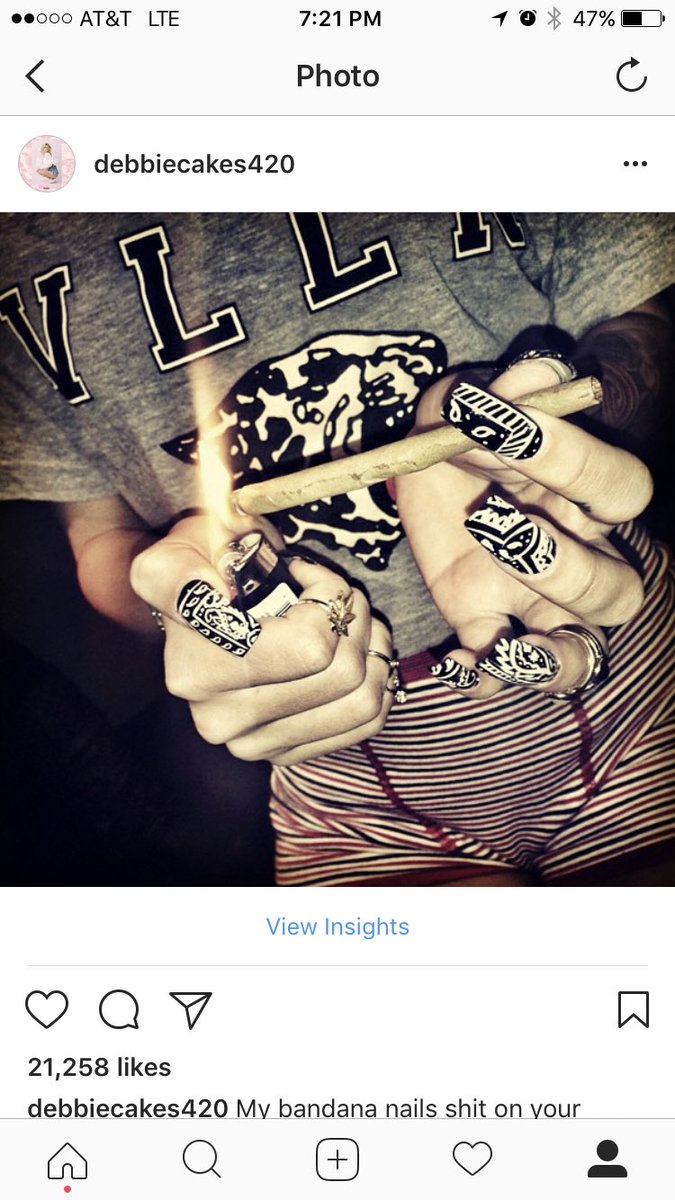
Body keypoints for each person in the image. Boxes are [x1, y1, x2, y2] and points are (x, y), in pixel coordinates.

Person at [1, 212, 673, 886]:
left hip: (631, 691)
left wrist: (555, 424)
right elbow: (98, 535)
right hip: (349, 795)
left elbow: (640, 322)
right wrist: (178, 595)